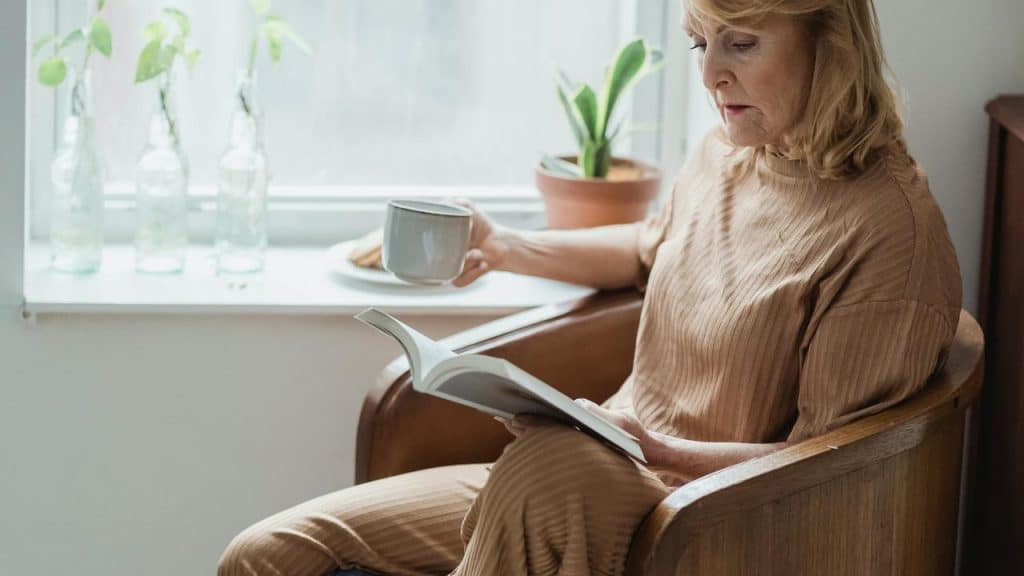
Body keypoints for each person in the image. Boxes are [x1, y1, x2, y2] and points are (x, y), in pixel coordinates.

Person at [219, 0, 962, 574]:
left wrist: (658, 449)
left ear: (830, 40)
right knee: (272, 554)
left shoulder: (889, 232)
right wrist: (503, 246)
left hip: (700, 525)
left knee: (551, 471)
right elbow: (649, 252)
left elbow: (827, 477)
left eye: (740, 42)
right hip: (584, 479)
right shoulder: (729, 154)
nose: (709, 77)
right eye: (701, 43)